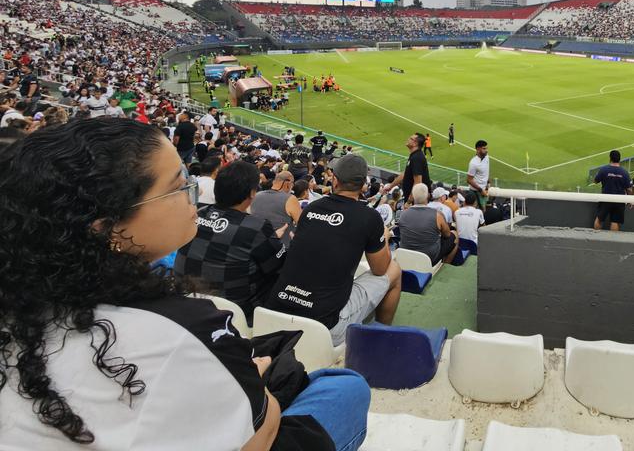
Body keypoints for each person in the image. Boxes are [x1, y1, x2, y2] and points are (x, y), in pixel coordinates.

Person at [0, 118, 371, 451]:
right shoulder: (186, 327)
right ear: (107, 226)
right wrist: (259, 387)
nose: (191, 196)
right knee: (341, 386)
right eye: (177, 188)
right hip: (250, 415)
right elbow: (259, 435)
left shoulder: (25, 304)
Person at [268, 154, 402, 345]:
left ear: (335, 180)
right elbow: (380, 269)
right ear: (363, 186)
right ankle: (381, 338)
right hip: (324, 327)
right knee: (394, 269)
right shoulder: (369, 217)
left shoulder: (311, 208)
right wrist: (384, 238)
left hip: (275, 313)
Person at [174, 160, 287, 321]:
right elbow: (278, 266)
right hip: (233, 315)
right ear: (252, 193)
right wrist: (272, 240)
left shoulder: (196, 213)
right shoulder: (257, 227)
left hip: (184, 303)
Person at [398, 182, 459, 264]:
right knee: (455, 235)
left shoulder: (403, 214)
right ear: (428, 196)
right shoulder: (437, 215)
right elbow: (447, 235)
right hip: (429, 257)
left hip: (408, 255)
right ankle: (445, 266)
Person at [251, 170, 303, 246]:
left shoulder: (256, 195)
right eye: (292, 183)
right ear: (287, 183)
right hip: (280, 246)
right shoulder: (290, 199)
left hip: (256, 243)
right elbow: (302, 223)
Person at [593, 150, 633, 231]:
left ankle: (595, 237)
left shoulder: (603, 169)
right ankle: (613, 238)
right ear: (619, 159)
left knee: (599, 219)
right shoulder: (624, 172)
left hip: (605, 199)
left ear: (610, 158)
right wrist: (630, 200)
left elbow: (595, 181)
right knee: (615, 222)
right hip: (619, 200)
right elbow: (629, 189)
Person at [402, 132, 430, 197]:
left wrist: (409, 200)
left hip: (415, 199)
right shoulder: (414, 155)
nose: (408, 139)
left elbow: (418, 183)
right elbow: (405, 173)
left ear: (415, 143)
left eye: (411, 139)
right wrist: (390, 186)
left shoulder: (417, 158)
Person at [467, 139, 490, 207]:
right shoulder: (473, 163)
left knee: (484, 208)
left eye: (486, 148)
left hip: (485, 189)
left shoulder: (487, 157)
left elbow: (486, 170)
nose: (486, 150)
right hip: (476, 191)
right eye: (484, 148)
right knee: (477, 209)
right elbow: (469, 180)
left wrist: (488, 182)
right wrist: (481, 190)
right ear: (478, 149)